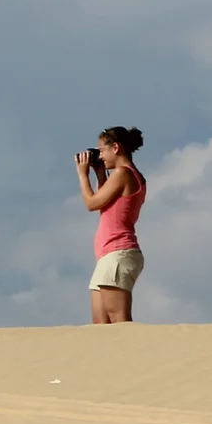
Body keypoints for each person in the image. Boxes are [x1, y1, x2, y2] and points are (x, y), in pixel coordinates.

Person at [76, 126, 146, 324]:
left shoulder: (123, 173)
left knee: (119, 322)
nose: (100, 156)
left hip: (118, 253)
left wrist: (82, 175)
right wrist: (100, 175)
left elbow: (91, 203)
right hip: (109, 255)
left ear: (115, 148)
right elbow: (105, 204)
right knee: (101, 324)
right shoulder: (127, 175)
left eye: (102, 151)